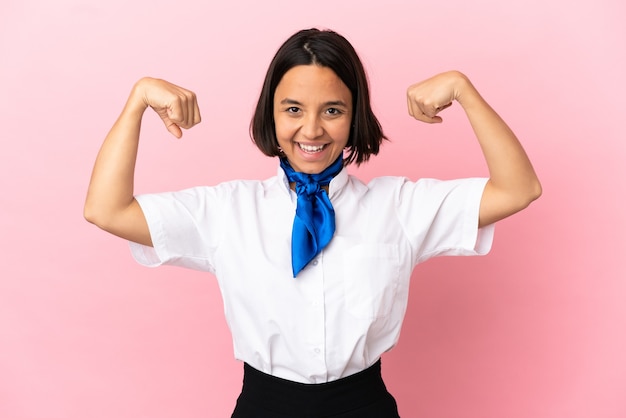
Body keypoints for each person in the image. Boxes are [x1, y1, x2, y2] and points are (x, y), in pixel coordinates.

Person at [84, 28, 541, 417]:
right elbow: (107, 210)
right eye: (294, 109)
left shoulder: (399, 206)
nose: (312, 129)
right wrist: (138, 101)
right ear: (272, 112)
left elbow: (518, 189)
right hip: (264, 405)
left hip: (364, 404)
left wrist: (464, 90)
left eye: (333, 110)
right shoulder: (227, 211)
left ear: (354, 114)